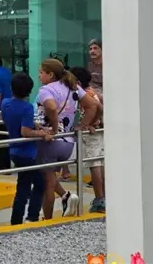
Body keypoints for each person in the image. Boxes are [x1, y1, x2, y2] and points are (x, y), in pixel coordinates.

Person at [35, 58, 98, 219]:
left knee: (48, 185)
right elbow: (92, 105)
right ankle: (66, 197)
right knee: (50, 179)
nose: (39, 76)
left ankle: (47, 219)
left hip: (51, 141)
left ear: (50, 74)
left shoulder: (46, 90)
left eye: (41, 72)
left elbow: (51, 107)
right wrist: (83, 125)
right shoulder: (73, 87)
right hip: (68, 143)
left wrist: (54, 128)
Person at [0, 73, 52, 224]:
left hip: (14, 150)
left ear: (12, 88)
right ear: (29, 91)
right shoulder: (27, 107)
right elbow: (25, 131)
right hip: (27, 153)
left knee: (23, 185)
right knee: (38, 184)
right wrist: (42, 133)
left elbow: (16, 121)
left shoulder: (5, 103)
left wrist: (35, 125)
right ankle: (32, 216)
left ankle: (17, 219)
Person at [70, 66, 105, 213]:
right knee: (100, 163)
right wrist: (98, 120)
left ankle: (99, 199)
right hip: (97, 131)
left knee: (94, 165)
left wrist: (86, 124)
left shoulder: (84, 94)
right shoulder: (93, 92)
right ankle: (103, 197)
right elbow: (100, 106)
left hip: (91, 134)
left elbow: (96, 106)